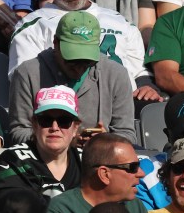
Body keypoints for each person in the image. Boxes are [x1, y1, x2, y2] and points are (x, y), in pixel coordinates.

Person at [12, 0, 157, 95]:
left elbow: (139, 72)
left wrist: (146, 87)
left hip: (121, 107)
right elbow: (25, 82)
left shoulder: (120, 22)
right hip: (61, 111)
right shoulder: (31, 27)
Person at [8, 11, 137, 145]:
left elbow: (126, 134)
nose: (79, 67)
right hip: (44, 161)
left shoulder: (116, 74)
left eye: (87, 61)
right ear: (56, 42)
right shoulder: (27, 73)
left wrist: (105, 142)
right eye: (72, 60)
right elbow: (19, 132)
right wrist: (61, 142)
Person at [45, 132, 167, 213]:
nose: (141, 174)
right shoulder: (61, 211)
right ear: (104, 174)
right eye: (133, 167)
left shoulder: (135, 205)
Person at [0, 86, 83, 205]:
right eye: (46, 120)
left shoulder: (88, 162)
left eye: (64, 121)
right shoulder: (11, 161)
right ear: (35, 124)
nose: (54, 127)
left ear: (75, 128)